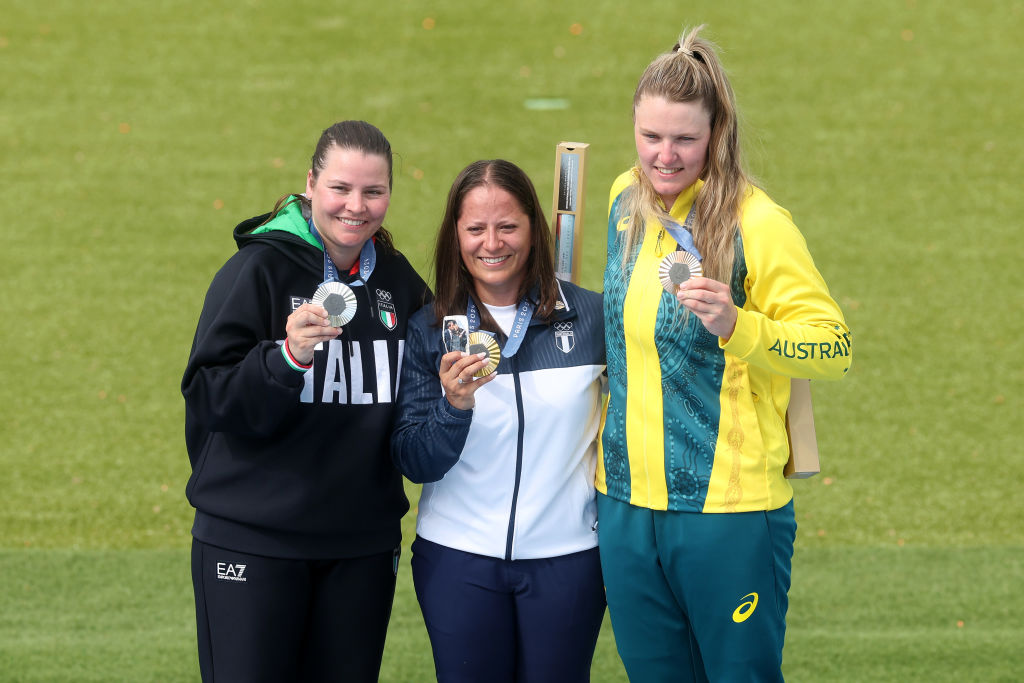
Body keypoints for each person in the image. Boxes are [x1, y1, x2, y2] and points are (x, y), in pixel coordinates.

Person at [598, 26, 853, 682]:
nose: (665, 155)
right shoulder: (624, 201)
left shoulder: (758, 223)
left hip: (730, 516)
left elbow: (833, 346)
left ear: (717, 133)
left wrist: (738, 323)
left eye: (684, 139)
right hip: (624, 506)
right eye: (651, 136)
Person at [181, 120, 430, 682]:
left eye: (374, 191)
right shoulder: (256, 271)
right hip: (253, 543)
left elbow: (431, 376)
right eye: (341, 188)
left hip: (360, 548)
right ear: (311, 183)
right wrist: (286, 357)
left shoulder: (396, 280)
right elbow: (207, 395)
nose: (356, 206)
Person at [392, 159, 607, 683]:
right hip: (458, 560)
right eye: (475, 228)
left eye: (508, 226)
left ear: (535, 229)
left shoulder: (593, 319)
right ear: (455, 236)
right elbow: (416, 461)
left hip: (569, 559)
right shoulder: (429, 329)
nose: (492, 243)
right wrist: (454, 406)